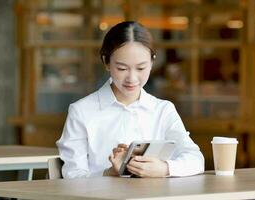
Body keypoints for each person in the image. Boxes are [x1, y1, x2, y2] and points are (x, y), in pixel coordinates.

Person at [56, 21, 205, 179]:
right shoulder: (82, 112)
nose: (132, 78)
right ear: (106, 62)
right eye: (122, 68)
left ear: (152, 62)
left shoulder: (163, 110)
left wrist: (164, 168)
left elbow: (196, 160)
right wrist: (109, 173)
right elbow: (72, 176)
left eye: (141, 68)